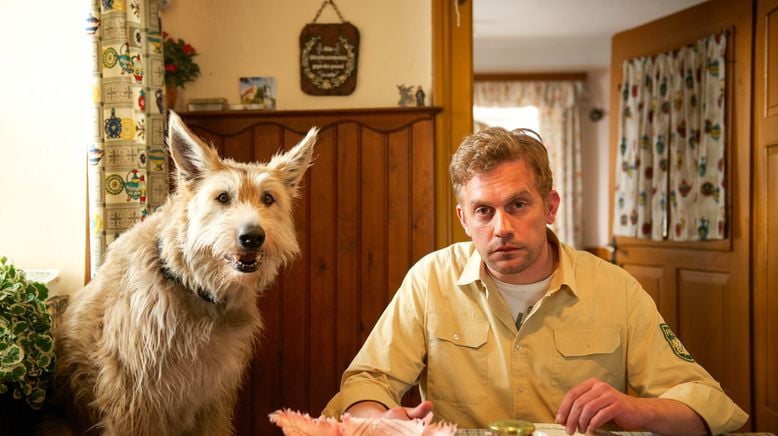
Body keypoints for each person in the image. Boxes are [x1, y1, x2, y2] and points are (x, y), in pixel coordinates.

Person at [321, 127, 748, 434]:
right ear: (464, 220)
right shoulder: (430, 280)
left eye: (518, 204)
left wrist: (637, 409)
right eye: (483, 211)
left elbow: (706, 401)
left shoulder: (616, 289)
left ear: (550, 207)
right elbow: (367, 380)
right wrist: (375, 416)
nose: (501, 227)